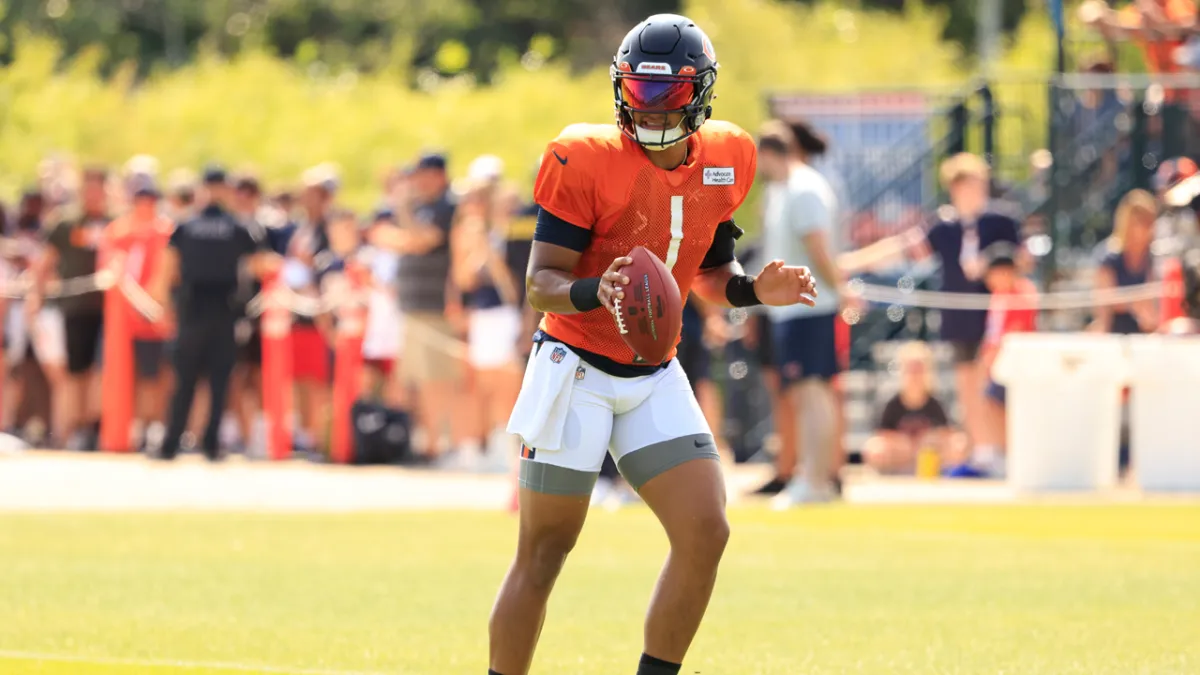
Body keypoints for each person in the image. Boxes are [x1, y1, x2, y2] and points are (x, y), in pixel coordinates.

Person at [490, 15, 817, 675]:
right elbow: (540, 284)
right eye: (639, 93)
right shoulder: (585, 157)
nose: (653, 108)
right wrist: (595, 289)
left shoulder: (730, 155)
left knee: (706, 529)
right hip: (575, 365)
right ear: (618, 89)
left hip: (653, 369)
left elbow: (712, 278)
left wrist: (757, 291)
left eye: (669, 95)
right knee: (545, 550)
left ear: (701, 95)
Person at [838, 152, 1019, 476]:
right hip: (959, 318)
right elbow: (901, 248)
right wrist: (850, 263)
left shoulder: (1002, 222)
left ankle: (1004, 450)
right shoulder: (943, 227)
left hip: (998, 320)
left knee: (995, 386)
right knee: (968, 386)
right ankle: (982, 451)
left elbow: (1019, 262)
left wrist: (991, 264)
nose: (970, 191)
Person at [148, 166, 279, 461]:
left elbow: (165, 272)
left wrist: (163, 309)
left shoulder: (185, 226)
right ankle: (210, 444)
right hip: (224, 310)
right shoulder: (238, 227)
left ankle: (171, 443)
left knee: (184, 381)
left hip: (191, 310)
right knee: (219, 381)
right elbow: (263, 264)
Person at [757, 119, 845, 507]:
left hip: (809, 307)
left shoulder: (804, 188)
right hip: (792, 310)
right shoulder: (782, 189)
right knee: (807, 394)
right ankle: (813, 478)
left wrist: (842, 291)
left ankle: (815, 479)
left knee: (813, 393)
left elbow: (818, 249)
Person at [368, 152, 464, 461]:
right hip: (412, 307)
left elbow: (421, 241)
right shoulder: (424, 208)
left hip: (434, 306)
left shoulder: (446, 207)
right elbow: (386, 237)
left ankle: (440, 444)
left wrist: (404, 211)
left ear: (438, 175)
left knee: (436, 379)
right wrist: (407, 231)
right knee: (416, 381)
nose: (416, 182)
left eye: (422, 174)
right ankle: (426, 442)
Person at [28, 166, 112, 450]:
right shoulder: (65, 224)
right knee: (74, 374)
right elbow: (44, 265)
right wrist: (34, 303)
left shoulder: (115, 223)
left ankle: (92, 428)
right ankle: (71, 432)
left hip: (108, 312)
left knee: (100, 374)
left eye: (98, 189)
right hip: (73, 309)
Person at [977, 242, 1038, 472]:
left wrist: (994, 354)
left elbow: (1018, 329)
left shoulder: (1022, 292)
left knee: (1011, 410)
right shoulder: (998, 297)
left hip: (1016, 363)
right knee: (992, 406)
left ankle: (1013, 454)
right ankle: (1004, 452)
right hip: (999, 363)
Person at [862, 341, 965, 474]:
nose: (915, 375)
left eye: (919, 369)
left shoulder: (937, 399)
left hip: (929, 454)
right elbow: (880, 433)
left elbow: (949, 432)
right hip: (901, 454)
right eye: (911, 369)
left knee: (958, 444)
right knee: (875, 449)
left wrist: (928, 439)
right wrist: (905, 442)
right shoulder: (891, 401)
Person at [1092, 189, 1160, 334]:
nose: (1141, 230)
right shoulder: (1108, 258)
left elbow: (1153, 312)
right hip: (1114, 333)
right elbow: (1105, 306)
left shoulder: (1153, 259)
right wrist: (1133, 304)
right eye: (1137, 223)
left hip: (1145, 337)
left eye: (1146, 223)